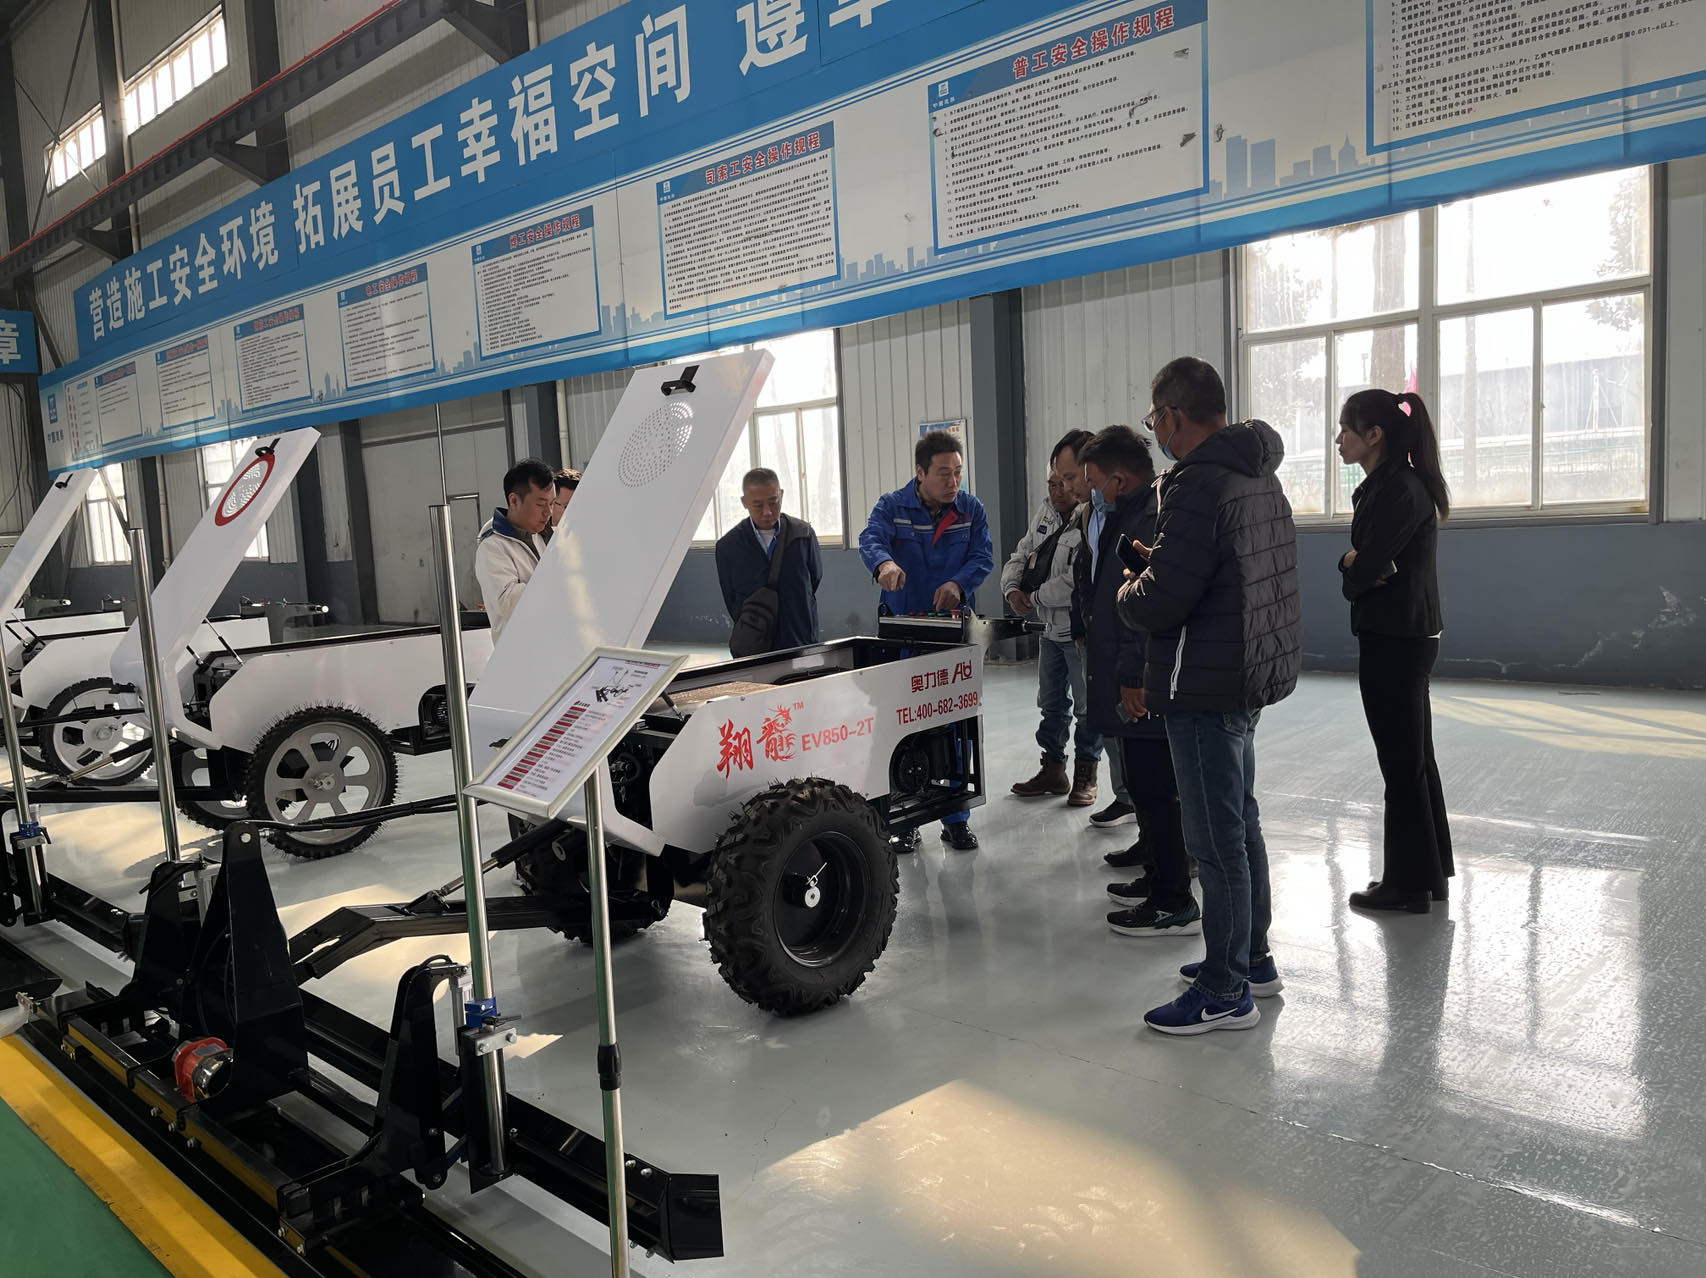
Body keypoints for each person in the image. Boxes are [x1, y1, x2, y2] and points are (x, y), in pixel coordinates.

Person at [1116, 357, 1300, 1036]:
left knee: (1215, 844)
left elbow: (1164, 599)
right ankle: (1251, 958)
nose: (1156, 433)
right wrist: (1161, 565)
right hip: (1243, 674)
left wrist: (1129, 590)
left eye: (1154, 420)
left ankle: (1224, 990)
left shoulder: (1196, 482)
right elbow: (1228, 574)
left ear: (1171, 415)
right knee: (1240, 823)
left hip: (1200, 682)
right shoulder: (1257, 474)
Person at [1336, 388, 1454, 913]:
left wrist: (1348, 564)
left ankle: (1406, 886)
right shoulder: (1390, 486)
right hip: (1403, 634)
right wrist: (1360, 566)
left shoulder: (1398, 489)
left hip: (1396, 637)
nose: (1339, 440)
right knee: (1414, 759)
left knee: (1401, 765)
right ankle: (1429, 875)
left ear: (1374, 434)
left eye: (1346, 429)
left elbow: (1366, 568)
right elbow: (1372, 567)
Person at [1075, 426, 1195, 937]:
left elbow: (1142, 610)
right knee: (1147, 787)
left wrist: (1131, 676)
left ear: (1119, 480)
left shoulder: (1147, 517)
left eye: (1094, 483)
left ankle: (1173, 901)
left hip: (1140, 679)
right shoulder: (1131, 512)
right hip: (1129, 669)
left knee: (1155, 787)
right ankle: (1157, 876)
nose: (1092, 492)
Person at [859, 429, 994, 851]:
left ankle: (956, 819)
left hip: (952, 635)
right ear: (920, 472)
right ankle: (905, 818)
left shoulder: (970, 509)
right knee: (901, 725)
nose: (953, 481)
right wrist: (883, 564)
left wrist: (959, 582)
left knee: (955, 724)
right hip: (903, 633)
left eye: (958, 472)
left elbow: (983, 556)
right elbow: (870, 538)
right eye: (943, 473)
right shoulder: (892, 506)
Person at [1002, 430, 1101, 806]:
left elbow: (1077, 579)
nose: (1059, 489)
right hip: (1048, 630)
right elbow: (1021, 553)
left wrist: (1035, 597)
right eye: (1053, 482)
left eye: (1066, 481)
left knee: (1087, 707)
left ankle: (1086, 774)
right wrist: (1012, 589)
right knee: (1051, 703)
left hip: (1078, 632)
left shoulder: (1090, 516)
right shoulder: (1043, 514)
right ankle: (1053, 769)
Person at [714, 467, 824, 655]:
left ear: (781, 494)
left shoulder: (803, 535)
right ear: (744, 502)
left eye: (774, 502)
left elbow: (814, 580)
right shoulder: (728, 547)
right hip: (756, 645)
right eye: (758, 505)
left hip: (799, 640)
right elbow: (732, 600)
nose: (767, 512)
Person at [475, 458, 554, 641]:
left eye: (552, 504)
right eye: (541, 504)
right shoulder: (493, 548)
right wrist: (558, 581)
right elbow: (507, 602)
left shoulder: (547, 537)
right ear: (514, 501)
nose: (548, 512)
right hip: (522, 652)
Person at [543, 468, 581, 541]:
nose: (575, 512)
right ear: (552, 504)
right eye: (568, 506)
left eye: (579, 507)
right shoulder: (536, 538)